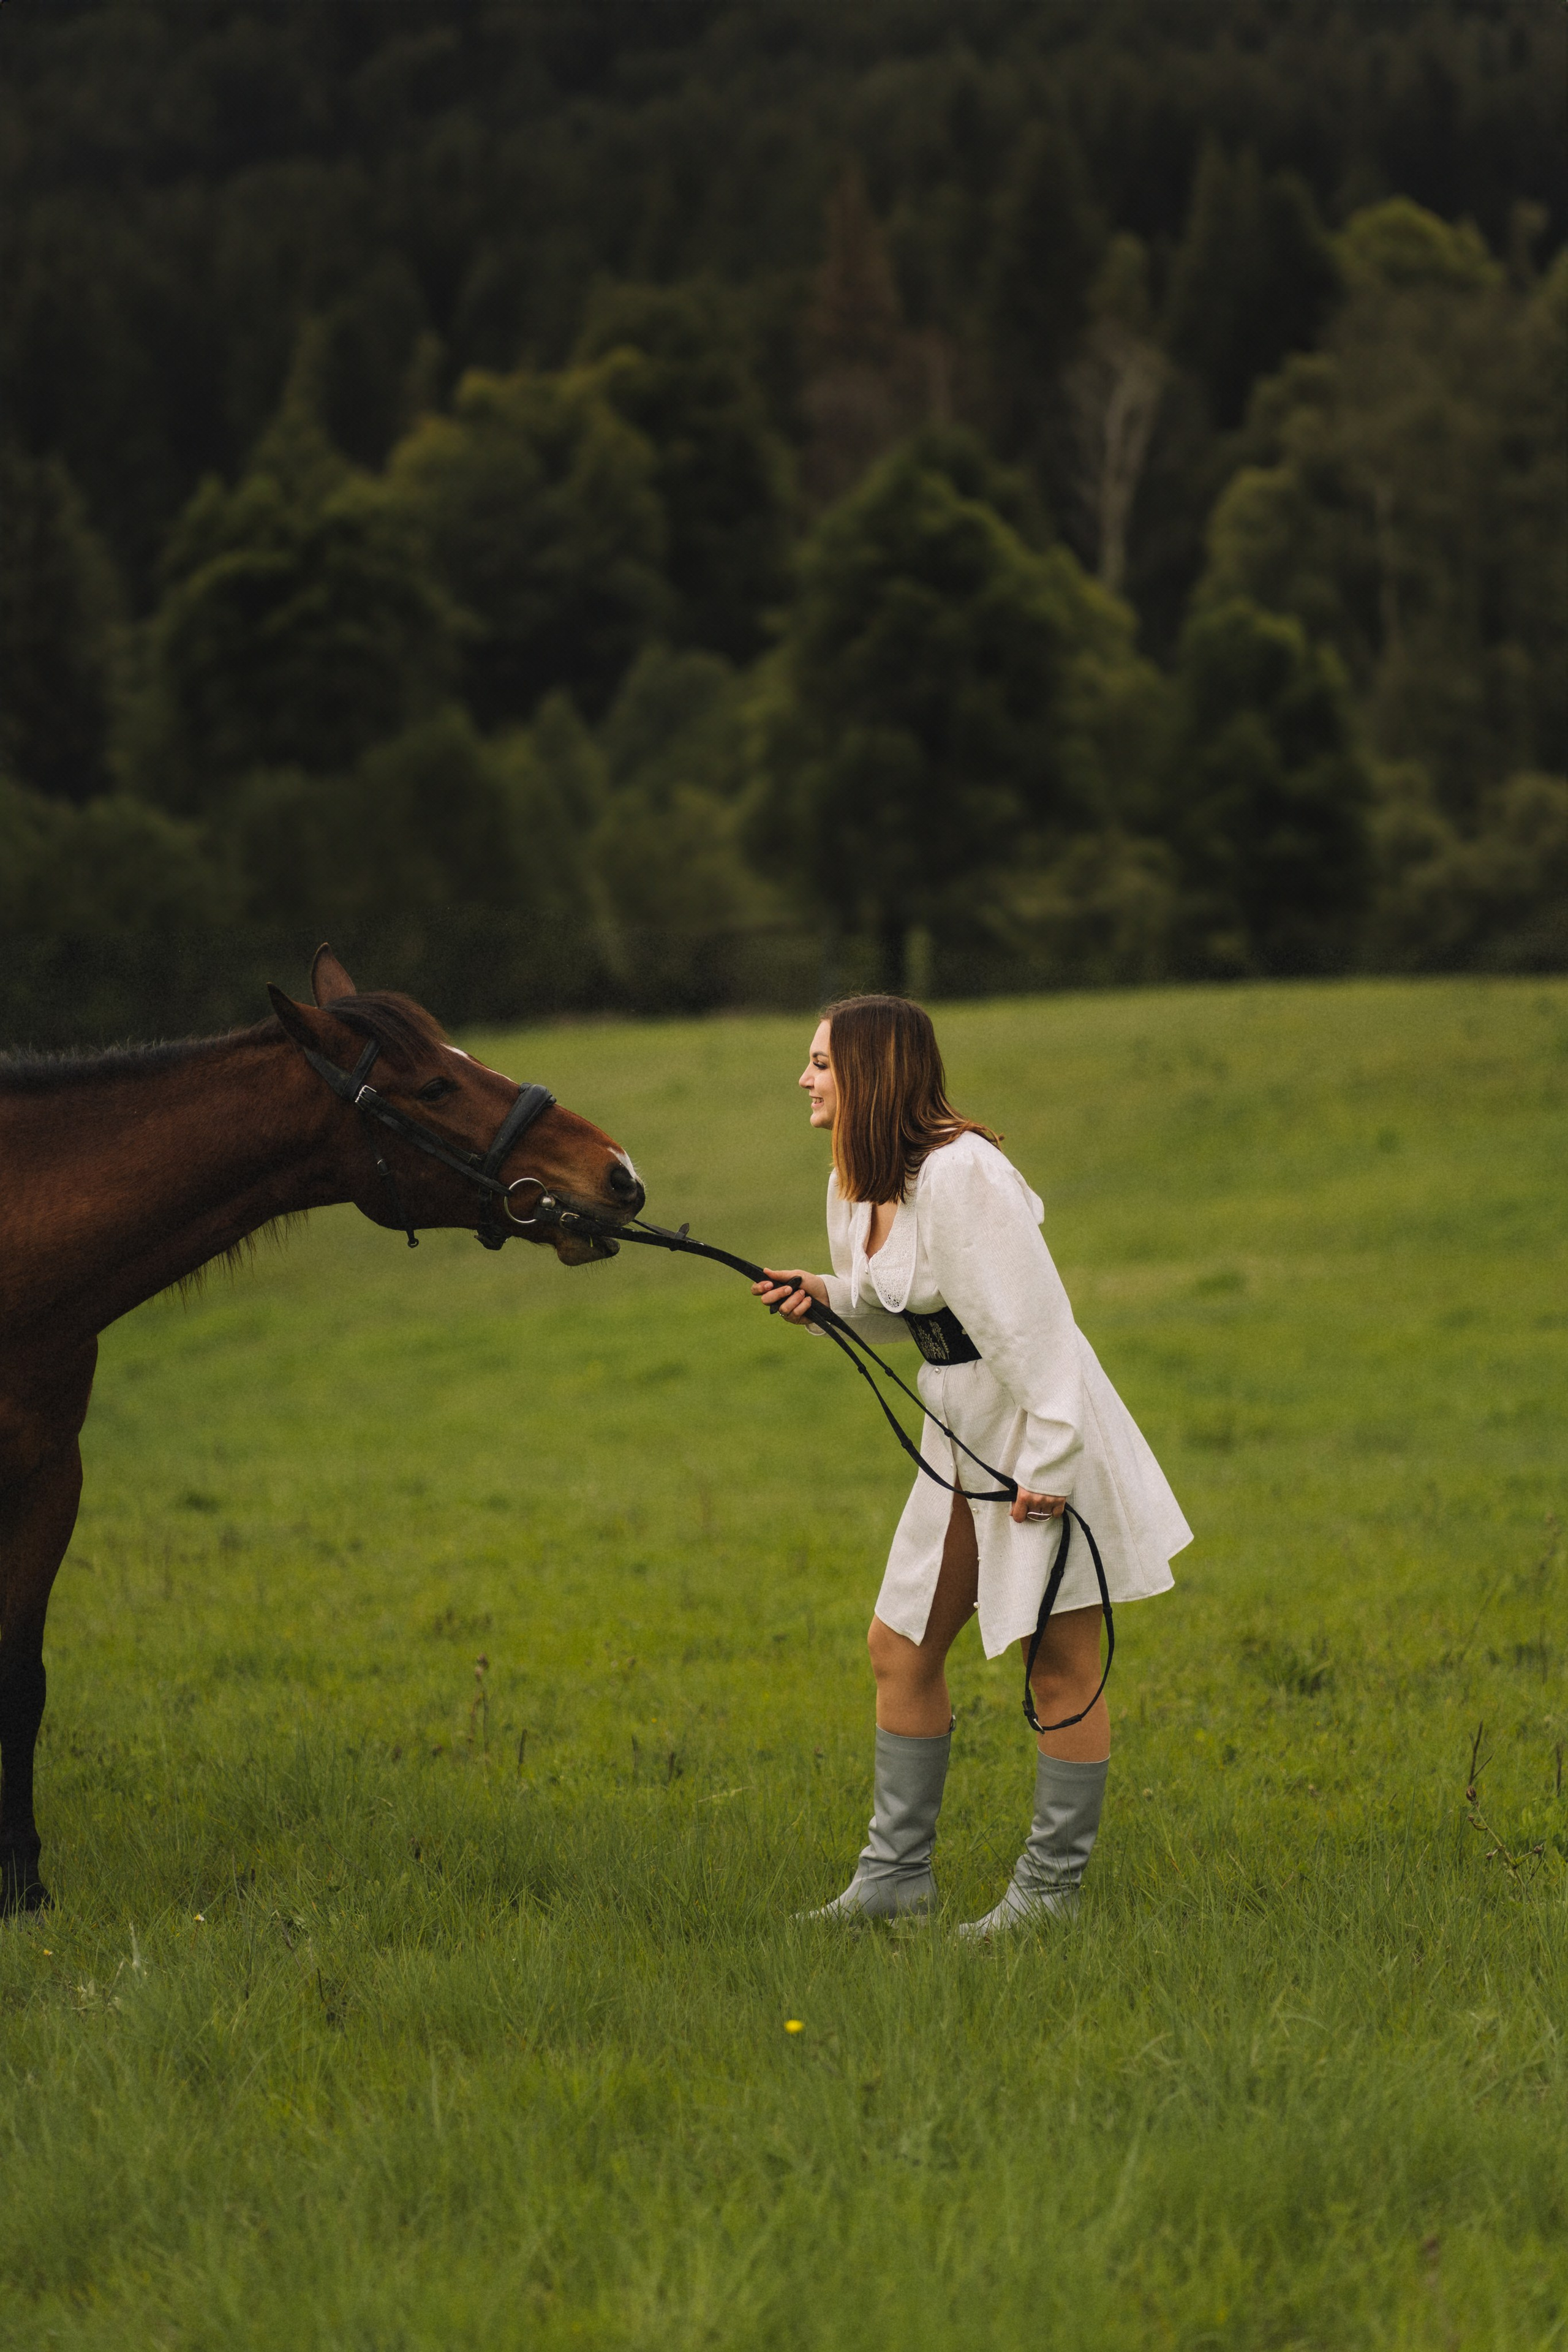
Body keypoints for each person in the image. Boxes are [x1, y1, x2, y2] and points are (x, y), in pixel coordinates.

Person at [753, 995, 1190, 1934]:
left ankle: (1050, 1897)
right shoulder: (857, 1182)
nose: (806, 1079)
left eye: (822, 1063)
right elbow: (905, 1300)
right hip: (957, 1431)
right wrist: (826, 1292)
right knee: (899, 1646)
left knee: (1059, 1662)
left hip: (1039, 1429)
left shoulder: (965, 1177)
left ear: (871, 1073)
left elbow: (1040, 1338)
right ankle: (894, 1880)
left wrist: (1055, 1468)